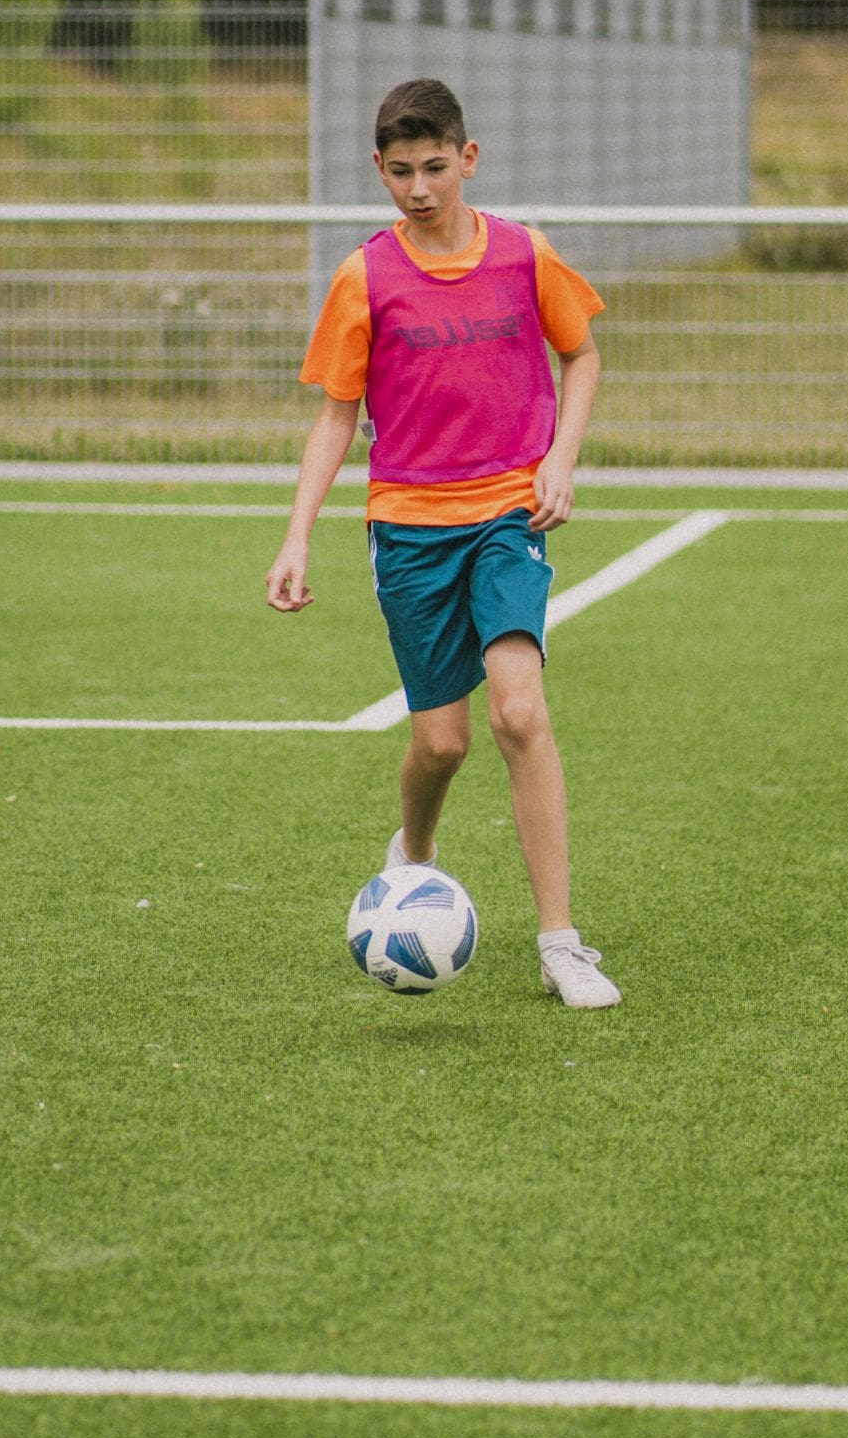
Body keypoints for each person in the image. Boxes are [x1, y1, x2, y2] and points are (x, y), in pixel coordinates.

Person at [266, 78, 621, 1009]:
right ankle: (414, 852)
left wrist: (561, 460)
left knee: (518, 713)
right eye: (400, 172)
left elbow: (581, 354)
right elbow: (336, 417)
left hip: (509, 515)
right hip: (410, 530)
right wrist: (297, 537)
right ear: (378, 171)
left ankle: (561, 944)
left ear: (469, 158)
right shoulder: (364, 277)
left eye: (434, 167)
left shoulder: (523, 253)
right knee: (442, 744)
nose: (419, 188)